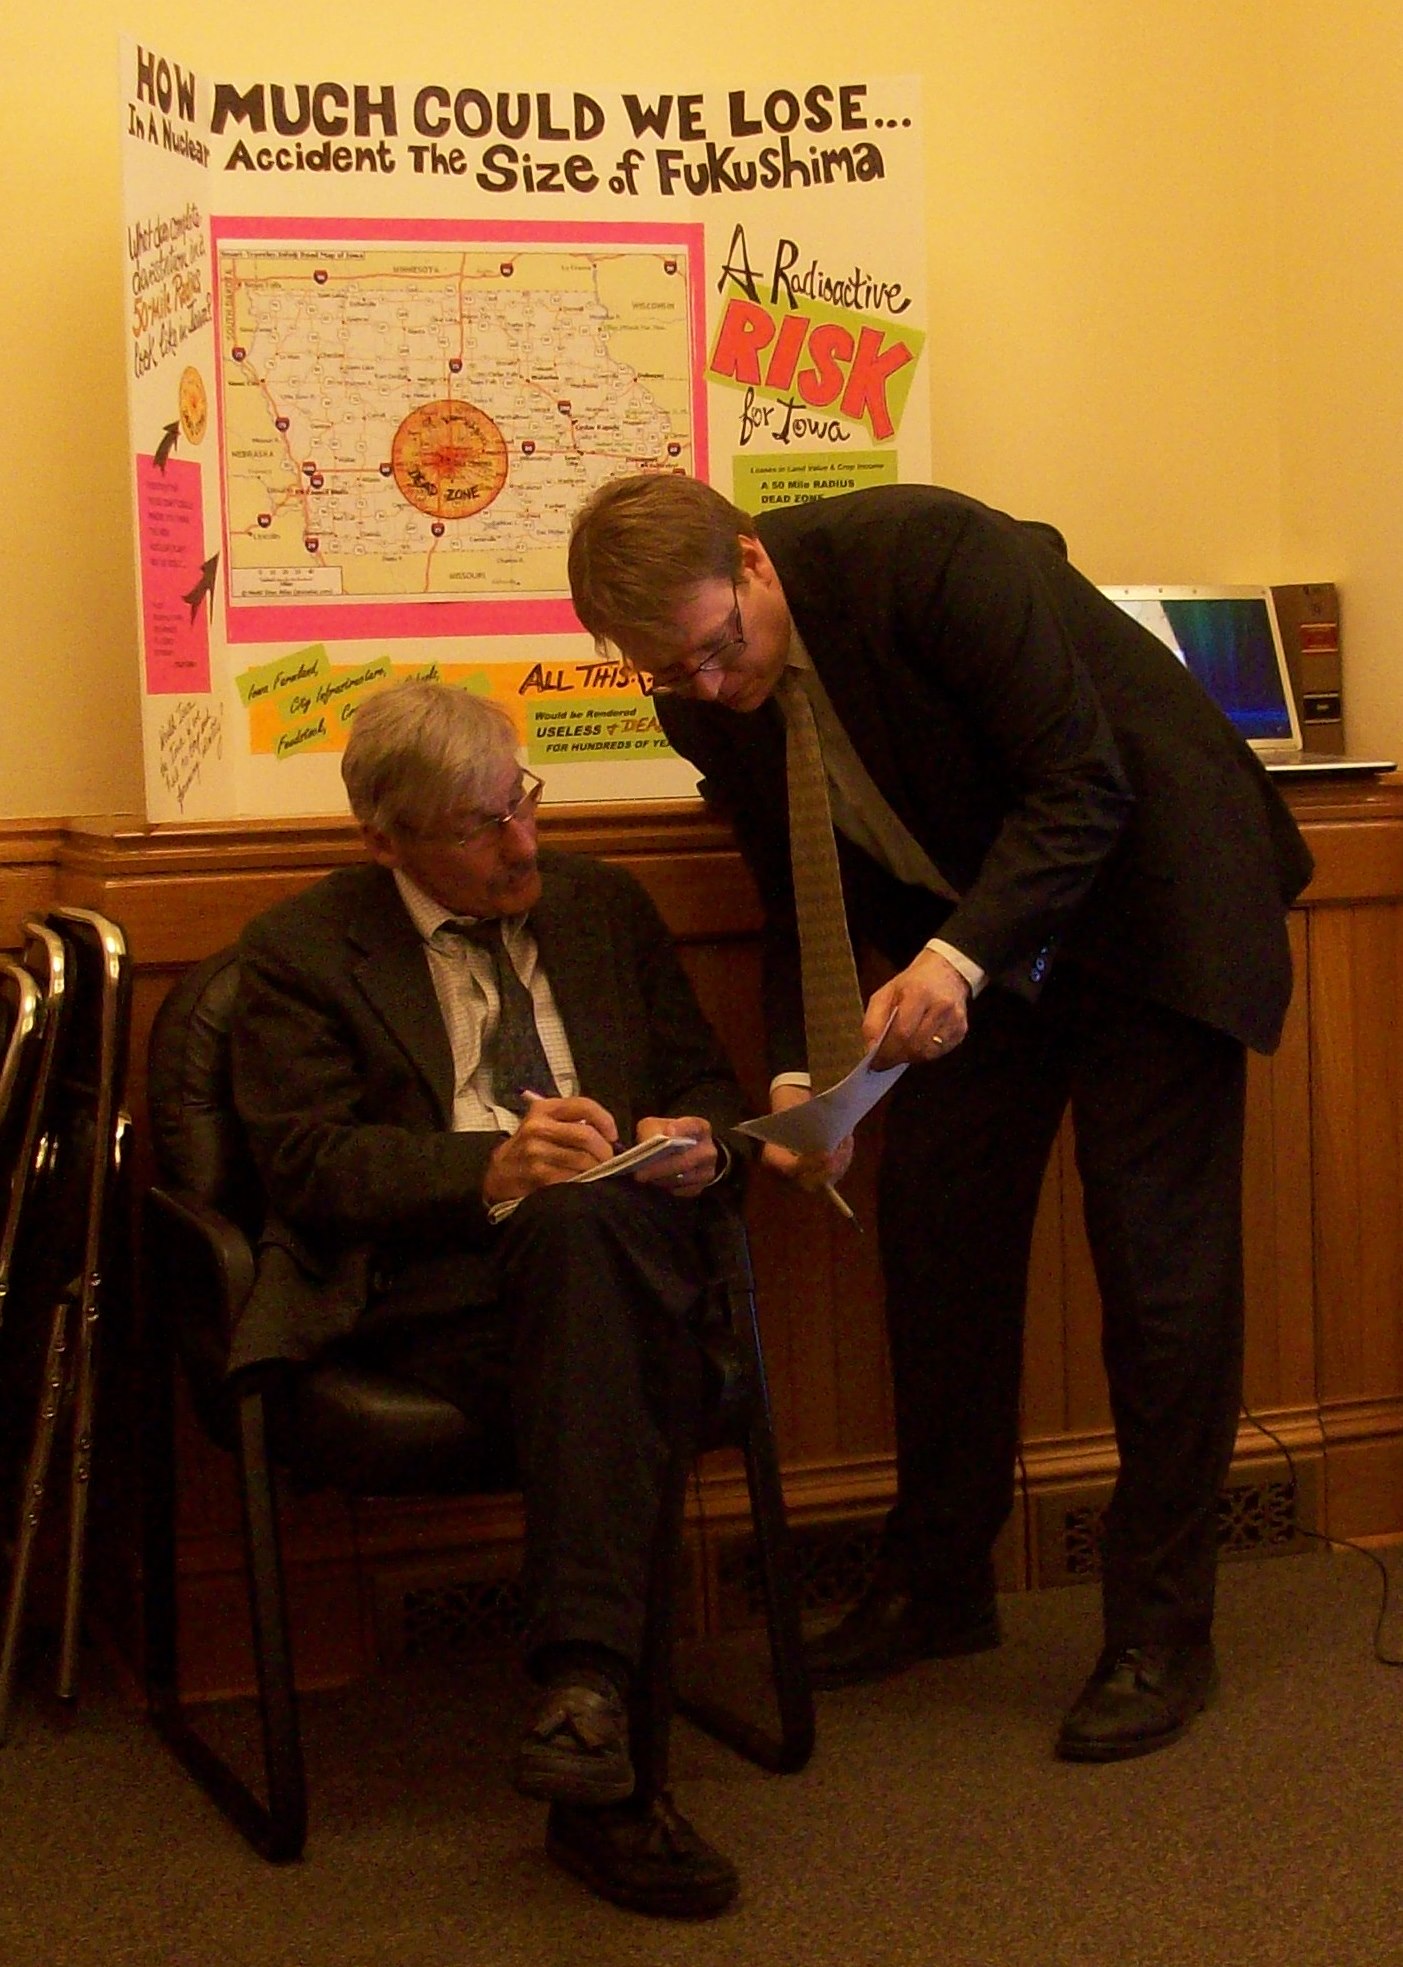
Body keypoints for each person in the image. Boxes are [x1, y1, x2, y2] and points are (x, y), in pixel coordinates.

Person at [567, 475, 1314, 1763]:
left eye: (716, 647)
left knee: (1156, 1270)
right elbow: (792, 881)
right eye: (670, 671)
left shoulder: (925, 554)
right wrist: (799, 1081)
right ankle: (938, 1582)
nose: (706, 684)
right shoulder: (698, 691)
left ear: (751, 560)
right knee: (935, 1232)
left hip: (1153, 898)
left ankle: (1159, 1630)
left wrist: (954, 961)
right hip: (984, 934)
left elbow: (1080, 784)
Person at [229, 678, 746, 1916]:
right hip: (435, 1289)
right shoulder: (301, 950)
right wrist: (489, 1168)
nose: (521, 843)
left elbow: (704, 1084)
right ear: (385, 840)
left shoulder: (602, 905)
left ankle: (585, 1696)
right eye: (478, 825)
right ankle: (606, 1759)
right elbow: (305, 1161)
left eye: (521, 800)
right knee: (619, 1345)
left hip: (615, 1254)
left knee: (591, 1251)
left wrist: (696, 1142)